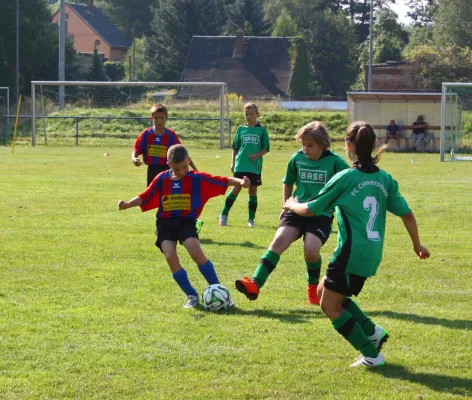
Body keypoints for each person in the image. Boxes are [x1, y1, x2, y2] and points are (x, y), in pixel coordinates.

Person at [283, 121, 430, 367]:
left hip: (351, 253)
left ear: (348, 146)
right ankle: (373, 332)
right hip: (371, 252)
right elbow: (407, 214)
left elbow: (309, 209)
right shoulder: (384, 179)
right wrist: (417, 245)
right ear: (373, 146)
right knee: (323, 291)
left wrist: (290, 204)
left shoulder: (346, 178)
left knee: (329, 306)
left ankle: (372, 355)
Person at [118, 144, 250, 308]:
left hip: (186, 222)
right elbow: (145, 196)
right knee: (170, 256)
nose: (182, 172)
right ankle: (192, 296)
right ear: (169, 165)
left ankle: (220, 291)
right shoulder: (162, 178)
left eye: (185, 167)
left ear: (189, 161)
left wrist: (239, 181)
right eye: (177, 169)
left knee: (196, 252)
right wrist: (127, 204)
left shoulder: (196, 178)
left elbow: (221, 180)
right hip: (165, 224)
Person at [234, 121, 350, 305]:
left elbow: (350, 180)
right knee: (278, 242)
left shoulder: (335, 162)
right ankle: (254, 284)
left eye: (310, 145)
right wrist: (284, 207)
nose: (305, 149)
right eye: (303, 144)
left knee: (311, 251)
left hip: (320, 215)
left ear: (322, 144)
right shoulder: (296, 159)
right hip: (295, 210)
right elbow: (288, 182)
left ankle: (313, 289)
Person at [132, 103, 203, 233]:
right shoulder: (146, 134)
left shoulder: (170, 135)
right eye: (156, 118)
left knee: (169, 199)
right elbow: (136, 149)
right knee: (157, 198)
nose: (159, 121)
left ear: (166, 118)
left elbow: (182, 152)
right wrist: (134, 158)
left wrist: (194, 168)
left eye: (161, 118)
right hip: (152, 170)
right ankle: (164, 226)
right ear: (151, 118)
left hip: (168, 171)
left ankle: (184, 222)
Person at [219, 103, 270, 228]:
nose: (249, 117)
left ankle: (251, 220)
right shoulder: (241, 129)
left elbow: (266, 148)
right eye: (246, 114)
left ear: (257, 114)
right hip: (241, 164)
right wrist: (233, 162)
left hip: (254, 166)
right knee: (236, 189)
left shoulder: (262, 131)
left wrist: (257, 155)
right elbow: (235, 147)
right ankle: (223, 215)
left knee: (252, 191)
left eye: (251, 114)